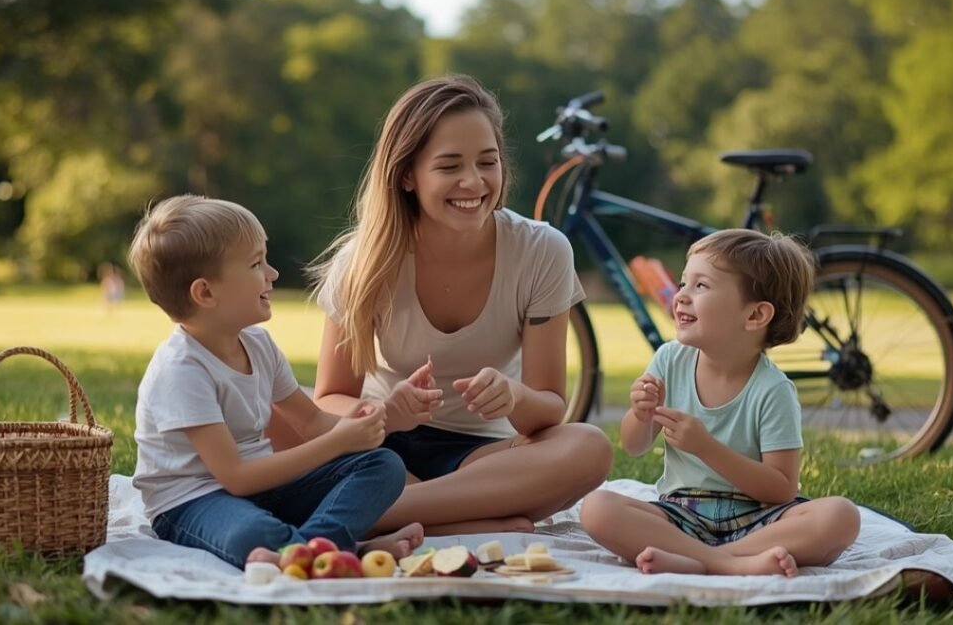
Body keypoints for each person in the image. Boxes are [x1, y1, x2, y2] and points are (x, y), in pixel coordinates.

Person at [287, 75, 613, 537]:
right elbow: (330, 398)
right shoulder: (362, 261)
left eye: (488, 161)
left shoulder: (542, 250)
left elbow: (548, 409)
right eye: (449, 166)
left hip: (481, 457)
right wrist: (388, 416)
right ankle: (468, 519)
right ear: (406, 175)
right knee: (273, 407)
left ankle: (379, 514)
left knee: (589, 447)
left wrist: (514, 396)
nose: (473, 181)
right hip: (378, 447)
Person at [128, 195, 422, 569]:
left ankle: (309, 552)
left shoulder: (258, 344)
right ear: (205, 293)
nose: (273, 274)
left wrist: (387, 417)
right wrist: (337, 442)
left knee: (383, 467)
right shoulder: (180, 370)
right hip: (193, 502)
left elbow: (314, 423)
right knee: (253, 536)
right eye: (256, 264)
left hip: (264, 487)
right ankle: (343, 550)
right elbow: (235, 478)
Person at [580, 229, 861, 576]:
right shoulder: (670, 360)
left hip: (758, 519)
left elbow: (781, 488)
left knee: (840, 516)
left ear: (755, 316)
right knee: (597, 508)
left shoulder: (773, 390)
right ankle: (726, 564)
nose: (680, 296)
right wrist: (640, 414)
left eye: (701, 286)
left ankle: (704, 560)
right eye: (683, 283)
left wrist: (706, 447)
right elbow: (634, 446)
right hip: (680, 513)